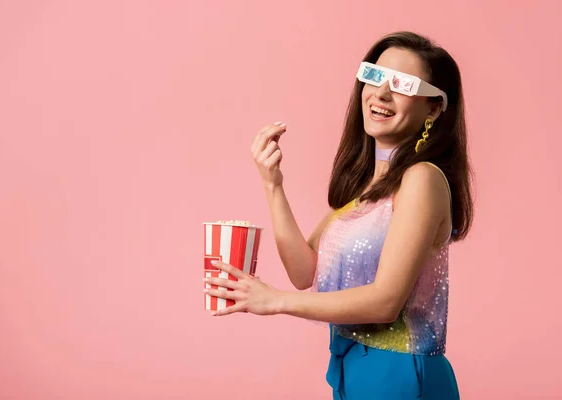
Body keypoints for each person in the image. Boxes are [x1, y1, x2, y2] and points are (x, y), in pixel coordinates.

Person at [203, 31, 473, 399]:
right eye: (375, 77)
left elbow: (385, 301)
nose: (381, 93)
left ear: (434, 107)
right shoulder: (366, 187)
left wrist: (273, 300)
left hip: (400, 377)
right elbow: (304, 271)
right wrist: (272, 184)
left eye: (403, 84)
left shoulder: (422, 179)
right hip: (355, 371)